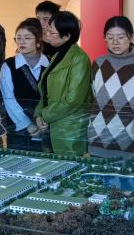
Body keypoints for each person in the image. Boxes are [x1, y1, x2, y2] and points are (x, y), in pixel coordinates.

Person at [89, 16, 134, 161]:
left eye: (121, 37)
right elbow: (94, 100)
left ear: (131, 37)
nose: (115, 42)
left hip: (132, 142)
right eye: (110, 37)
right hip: (98, 140)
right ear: (104, 38)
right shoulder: (98, 64)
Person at [34, 10, 91, 156]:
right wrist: (38, 114)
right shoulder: (58, 54)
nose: (47, 35)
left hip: (70, 128)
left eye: (52, 32)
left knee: (69, 166)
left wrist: (45, 115)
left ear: (67, 36)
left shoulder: (80, 58)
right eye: (48, 30)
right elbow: (46, 91)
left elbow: (73, 100)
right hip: (52, 124)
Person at [0, 18, 49, 150]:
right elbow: (9, 99)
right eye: (18, 38)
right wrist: (28, 125)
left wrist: (45, 120)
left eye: (27, 38)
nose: (22, 42)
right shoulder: (8, 65)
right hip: (18, 128)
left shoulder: (50, 64)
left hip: (46, 125)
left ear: (38, 41)